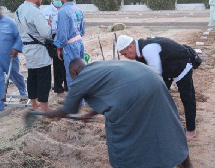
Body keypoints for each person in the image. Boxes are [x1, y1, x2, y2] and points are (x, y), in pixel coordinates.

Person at [45, 58, 193, 168]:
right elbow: (112, 91)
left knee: (123, 137)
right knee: (167, 123)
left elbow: (68, 109)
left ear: (74, 72)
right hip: (153, 80)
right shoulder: (99, 66)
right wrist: (90, 114)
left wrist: (51, 113)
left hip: (133, 93)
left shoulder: (81, 78)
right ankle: (185, 163)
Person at [116, 35, 197, 141]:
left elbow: (156, 76)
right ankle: (159, 124)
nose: (126, 57)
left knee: (187, 97)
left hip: (181, 65)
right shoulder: (139, 51)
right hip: (167, 69)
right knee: (159, 97)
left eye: (125, 54)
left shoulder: (147, 49)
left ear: (130, 47)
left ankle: (191, 130)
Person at [0, 1, 27, 118]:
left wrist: (16, 48)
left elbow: (19, 37)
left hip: (10, 57)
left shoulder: (10, 22)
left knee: (15, 76)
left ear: (0, 10)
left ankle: (23, 93)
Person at [14, 0, 52, 112]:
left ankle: (34, 104)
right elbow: (45, 33)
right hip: (39, 48)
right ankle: (44, 107)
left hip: (27, 47)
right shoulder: (34, 11)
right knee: (44, 77)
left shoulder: (18, 10)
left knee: (32, 76)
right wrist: (49, 26)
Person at [53, 0, 85, 91]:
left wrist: (59, 46)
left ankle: (76, 102)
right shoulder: (78, 10)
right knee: (80, 72)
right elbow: (82, 31)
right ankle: (81, 99)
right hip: (79, 42)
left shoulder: (63, 12)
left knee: (72, 73)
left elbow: (62, 34)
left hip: (70, 45)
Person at [42, 0, 68, 98]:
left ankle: (67, 87)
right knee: (57, 66)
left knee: (66, 65)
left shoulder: (66, 9)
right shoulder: (45, 12)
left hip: (65, 41)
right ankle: (58, 89)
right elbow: (45, 29)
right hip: (53, 41)